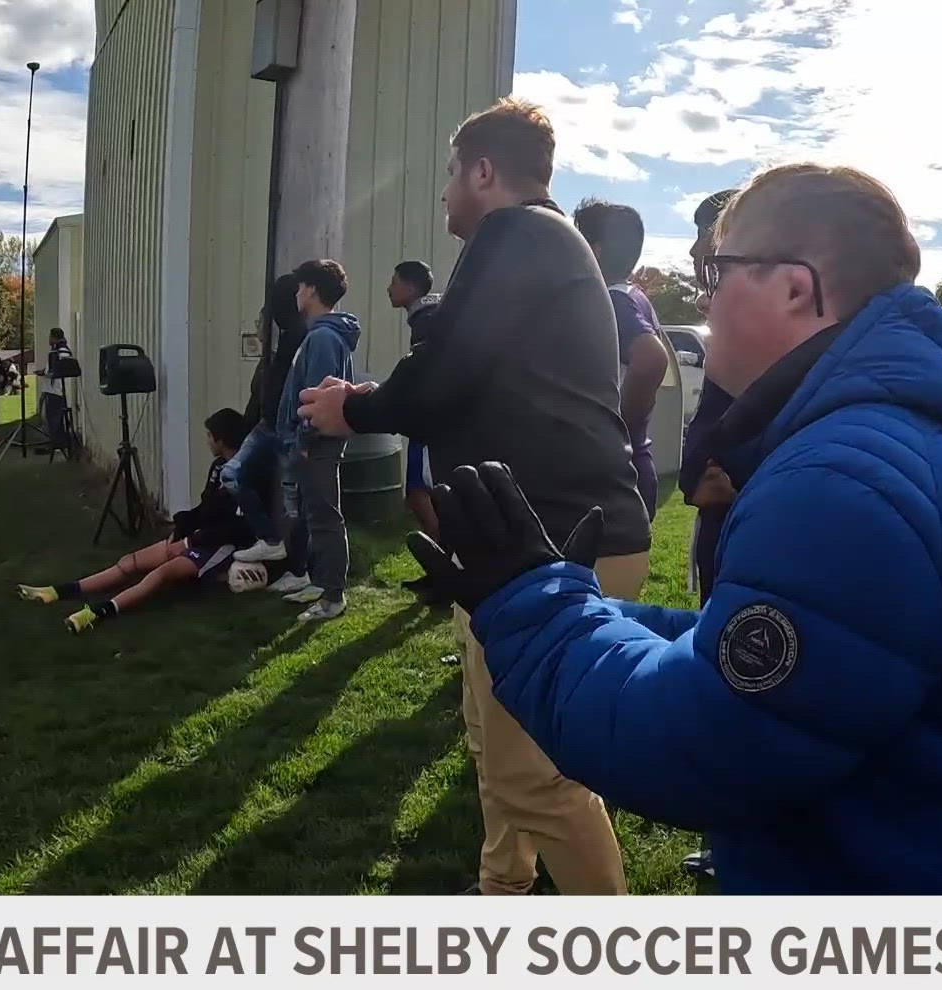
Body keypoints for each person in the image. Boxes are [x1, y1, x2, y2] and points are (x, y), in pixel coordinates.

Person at [405, 163, 942, 990]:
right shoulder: (859, 443)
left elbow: (705, 746)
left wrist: (532, 611)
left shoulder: (846, 475)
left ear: (796, 286)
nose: (702, 299)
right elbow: (785, 662)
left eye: (715, 272)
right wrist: (571, 597)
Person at [298, 99, 652, 917]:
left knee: (533, 767)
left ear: (484, 171)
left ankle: (617, 969)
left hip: (558, 541)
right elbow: (470, 376)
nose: (447, 195)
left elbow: (449, 368)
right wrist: (369, 395)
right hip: (521, 542)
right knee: (493, 741)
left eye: (452, 175)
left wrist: (352, 410)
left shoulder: (516, 235)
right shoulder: (542, 243)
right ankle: (504, 891)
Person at [19, 407, 269, 631]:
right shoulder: (218, 466)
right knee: (130, 563)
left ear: (220, 439)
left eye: (208, 436)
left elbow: (237, 526)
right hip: (199, 536)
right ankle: (55, 592)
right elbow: (206, 508)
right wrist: (182, 528)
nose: (206, 441)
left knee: (161, 574)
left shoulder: (244, 473)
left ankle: (96, 613)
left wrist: (189, 542)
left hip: (222, 545)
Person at [238, 258, 359, 623]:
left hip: (315, 443)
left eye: (301, 286)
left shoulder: (322, 337)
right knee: (314, 513)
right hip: (310, 442)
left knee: (324, 517)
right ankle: (320, 583)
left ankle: (333, 598)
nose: (297, 293)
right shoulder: (319, 333)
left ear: (312, 290)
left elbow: (318, 397)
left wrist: (304, 441)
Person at [676, 188, 738, 882]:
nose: (695, 257)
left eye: (710, 243)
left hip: (749, 545)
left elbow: (729, 471)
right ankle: (731, 846)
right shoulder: (728, 340)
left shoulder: (774, 353)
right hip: (719, 533)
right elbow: (700, 473)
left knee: (747, 689)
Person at [573, 198, 668, 521]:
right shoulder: (634, 295)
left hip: (614, 474)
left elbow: (651, 359)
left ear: (593, 251)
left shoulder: (612, 300)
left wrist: (617, 432)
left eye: (576, 241)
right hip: (633, 467)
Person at [387, 260, 443, 545]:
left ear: (411, 286)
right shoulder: (429, 315)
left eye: (394, 282)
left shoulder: (427, 320)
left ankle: (446, 560)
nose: (389, 288)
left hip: (430, 423)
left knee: (420, 493)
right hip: (429, 421)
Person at [37, 328, 74, 450]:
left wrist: (47, 372)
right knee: (51, 417)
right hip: (53, 389)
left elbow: (59, 369)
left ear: (54, 337)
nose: (48, 339)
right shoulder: (56, 350)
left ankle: (58, 443)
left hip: (56, 389)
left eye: (50, 336)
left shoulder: (61, 351)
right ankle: (56, 441)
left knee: (54, 418)